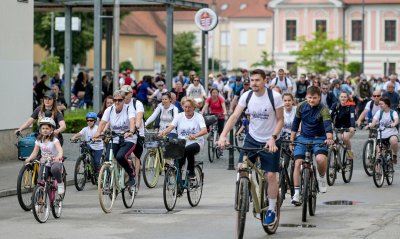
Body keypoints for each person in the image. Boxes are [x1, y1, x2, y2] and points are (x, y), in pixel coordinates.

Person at [218, 69, 284, 226]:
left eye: (257, 80)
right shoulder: (246, 96)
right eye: (252, 80)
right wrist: (223, 135)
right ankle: (246, 189)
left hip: (271, 139)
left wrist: (273, 138)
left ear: (264, 81)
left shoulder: (274, 96)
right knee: (241, 167)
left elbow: (280, 120)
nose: (254, 83)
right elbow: (234, 116)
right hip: (252, 138)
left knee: (270, 176)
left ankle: (272, 209)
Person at [290, 86, 333, 206]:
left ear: (319, 98)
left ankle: (322, 177)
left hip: (319, 138)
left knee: (320, 159)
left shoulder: (323, 109)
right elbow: (295, 124)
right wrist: (292, 140)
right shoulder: (301, 106)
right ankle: (297, 193)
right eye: (309, 97)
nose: (312, 100)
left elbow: (328, 125)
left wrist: (329, 138)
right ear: (306, 97)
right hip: (303, 138)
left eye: (314, 98)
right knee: (298, 163)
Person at [93, 90, 137, 186]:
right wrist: (98, 133)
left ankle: (131, 173)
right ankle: (111, 180)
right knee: (108, 158)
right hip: (115, 137)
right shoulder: (109, 110)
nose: (117, 102)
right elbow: (102, 123)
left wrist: (131, 131)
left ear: (124, 100)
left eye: (120, 100)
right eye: (115, 100)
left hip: (128, 137)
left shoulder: (129, 109)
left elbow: (132, 121)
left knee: (120, 156)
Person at [159, 97, 208, 178]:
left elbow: (204, 130)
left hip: (196, 142)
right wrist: (162, 133)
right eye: (185, 107)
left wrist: (195, 135)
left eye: (189, 107)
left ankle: (191, 173)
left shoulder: (198, 117)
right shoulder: (179, 116)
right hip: (182, 142)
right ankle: (178, 182)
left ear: (193, 107)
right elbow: (170, 127)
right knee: (176, 156)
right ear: (182, 107)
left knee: (188, 150)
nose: (187, 109)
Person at [25, 117, 64, 195]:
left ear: (51, 129)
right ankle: (39, 198)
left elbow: (60, 150)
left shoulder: (54, 140)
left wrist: (59, 156)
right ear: (40, 129)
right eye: (43, 128)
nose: (45, 130)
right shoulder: (38, 140)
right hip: (45, 162)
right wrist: (29, 159)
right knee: (40, 181)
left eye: (47, 128)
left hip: (55, 161)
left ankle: (60, 183)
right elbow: (34, 153)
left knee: (54, 169)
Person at [366, 97, 398, 164]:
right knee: (379, 152)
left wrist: (394, 124)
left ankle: (394, 154)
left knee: (394, 141)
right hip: (381, 134)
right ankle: (378, 170)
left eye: (381, 104)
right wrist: (370, 125)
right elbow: (374, 122)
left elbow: (396, 120)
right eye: (379, 104)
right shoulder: (379, 112)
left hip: (391, 133)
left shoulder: (393, 112)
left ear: (387, 105)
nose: (380, 105)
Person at [330, 92, 356, 160]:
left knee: (345, 137)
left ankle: (349, 152)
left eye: (345, 97)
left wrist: (352, 126)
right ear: (339, 98)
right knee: (337, 142)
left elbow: (352, 117)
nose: (343, 98)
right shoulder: (335, 105)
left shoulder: (350, 106)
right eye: (341, 97)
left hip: (348, 128)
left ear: (347, 98)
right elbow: (329, 115)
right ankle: (336, 161)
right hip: (338, 127)